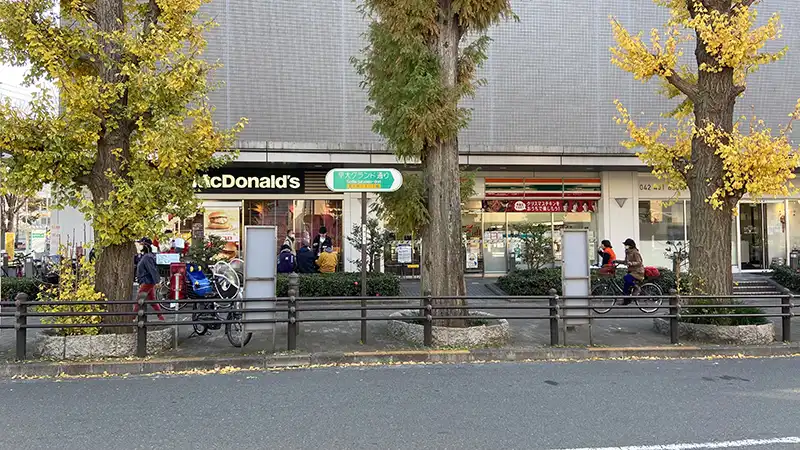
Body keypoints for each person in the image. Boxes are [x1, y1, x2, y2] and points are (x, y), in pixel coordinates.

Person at [135, 238, 165, 321]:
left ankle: (132, 318)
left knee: (139, 299)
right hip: (147, 281)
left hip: (146, 281)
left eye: (140, 244)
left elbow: (152, 269)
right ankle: (161, 317)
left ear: (145, 246)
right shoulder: (146, 256)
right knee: (152, 300)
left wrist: (157, 281)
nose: (138, 246)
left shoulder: (147, 257)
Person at [616, 238, 644, 302]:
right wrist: (617, 261)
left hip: (638, 271)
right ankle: (626, 301)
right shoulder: (627, 252)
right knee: (626, 285)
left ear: (630, 245)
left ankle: (637, 287)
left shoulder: (635, 252)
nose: (625, 246)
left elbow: (639, 262)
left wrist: (631, 263)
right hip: (631, 271)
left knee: (626, 277)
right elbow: (626, 262)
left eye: (626, 245)